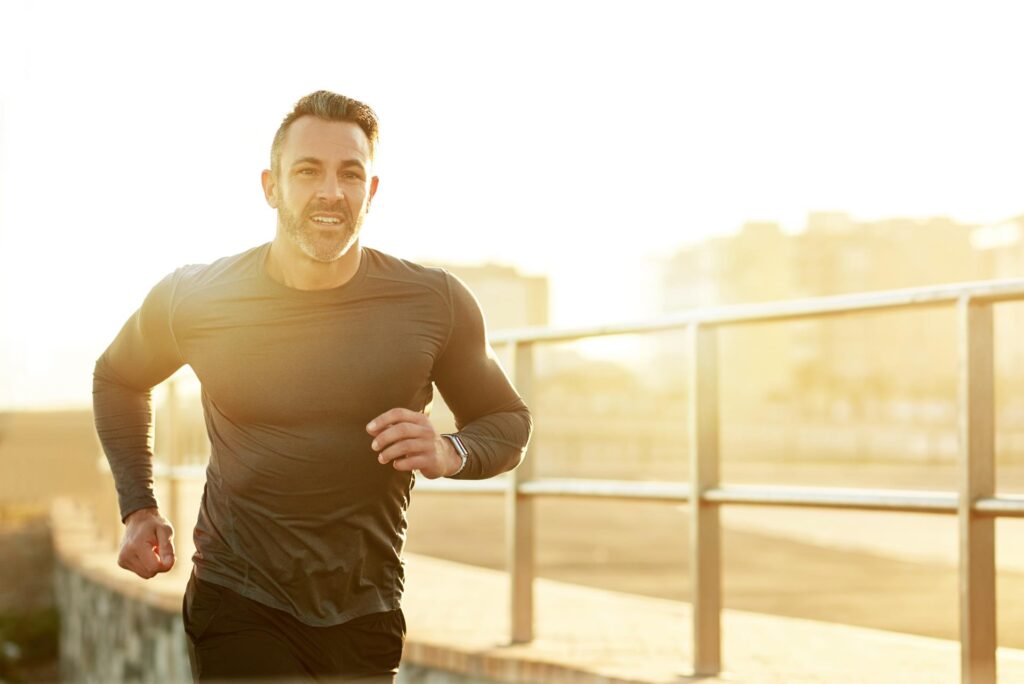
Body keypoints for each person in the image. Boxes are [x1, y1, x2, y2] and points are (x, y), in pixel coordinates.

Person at [93, 90, 533, 682]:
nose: (331, 191)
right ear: (271, 186)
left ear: (370, 192)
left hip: (366, 607)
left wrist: (452, 451)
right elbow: (118, 377)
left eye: (350, 173)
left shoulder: (434, 302)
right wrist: (138, 507)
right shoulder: (197, 297)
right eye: (308, 171)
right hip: (238, 597)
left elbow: (507, 422)